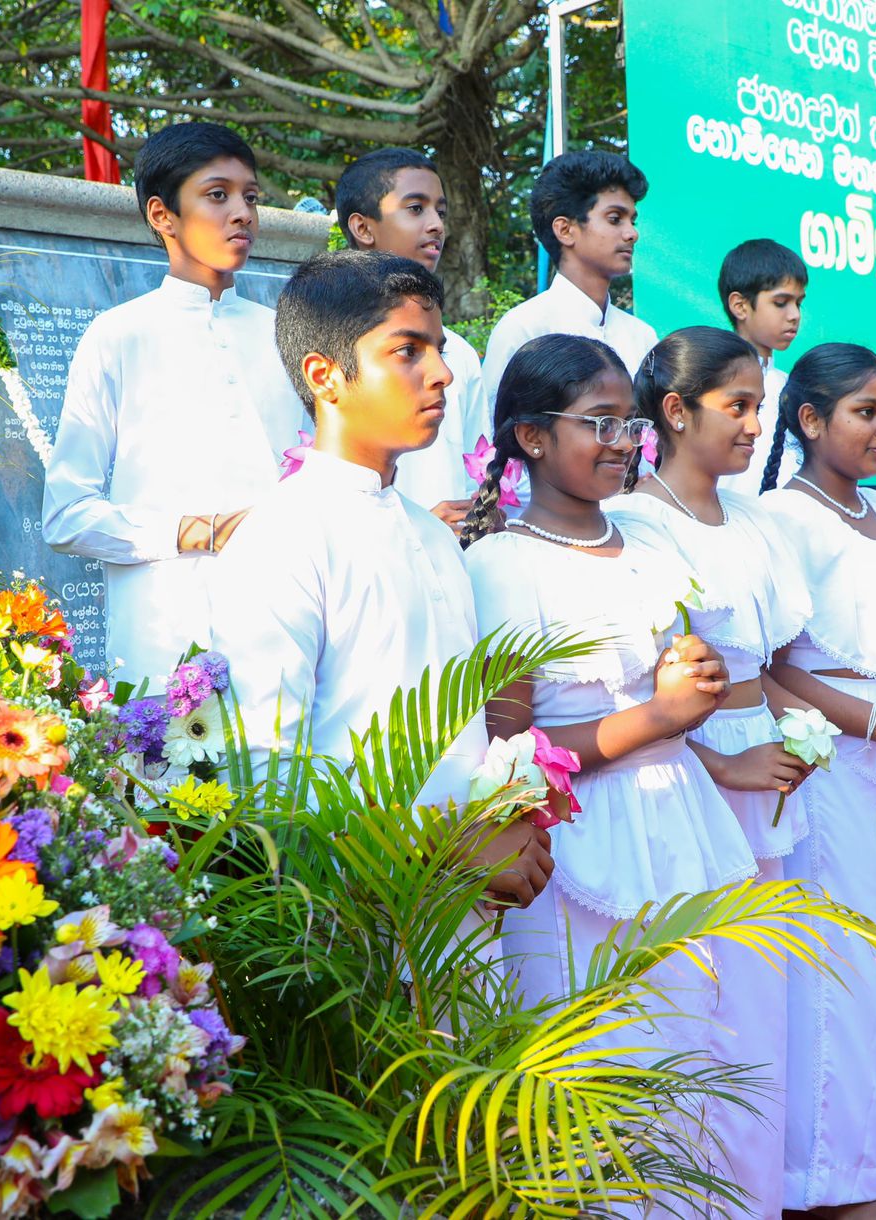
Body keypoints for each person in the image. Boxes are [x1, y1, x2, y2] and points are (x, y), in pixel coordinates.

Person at [461, 334, 756, 1218]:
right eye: (599, 423)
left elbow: (675, 677)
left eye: (629, 422)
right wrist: (656, 718)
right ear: (531, 436)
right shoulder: (503, 564)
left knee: (686, 1048)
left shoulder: (648, 541)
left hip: (677, 815)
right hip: (575, 835)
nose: (624, 441)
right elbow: (507, 745)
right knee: (597, 1063)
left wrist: (695, 684)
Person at [207, 249, 552, 906]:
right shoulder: (282, 535)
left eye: (439, 349)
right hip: (348, 920)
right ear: (325, 376)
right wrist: (438, 844)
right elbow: (265, 779)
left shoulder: (433, 535)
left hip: (452, 919)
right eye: (408, 351)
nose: (443, 373)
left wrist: (498, 821)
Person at [608, 326, 815, 1219]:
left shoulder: (756, 520)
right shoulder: (637, 524)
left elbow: (769, 664)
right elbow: (633, 693)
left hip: (766, 766)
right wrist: (726, 764)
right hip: (692, 776)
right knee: (698, 992)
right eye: (737, 406)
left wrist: (799, 737)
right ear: (675, 411)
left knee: (762, 995)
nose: (755, 425)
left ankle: (757, 1198)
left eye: (759, 407)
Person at [761, 343, 876, 1220]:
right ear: (810, 420)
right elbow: (769, 668)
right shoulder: (780, 518)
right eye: (864, 412)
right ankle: (822, 1186)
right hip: (828, 760)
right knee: (834, 965)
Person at [43, 121, 306, 688]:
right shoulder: (118, 335)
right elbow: (66, 517)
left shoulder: (284, 336)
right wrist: (195, 531)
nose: (243, 213)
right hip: (164, 635)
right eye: (218, 195)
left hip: (287, 624)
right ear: (163, 215)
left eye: (250, 197)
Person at [335, 147, 491, 530]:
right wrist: (419, 527)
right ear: (363, 228)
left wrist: (481, 518)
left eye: (441, 211)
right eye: (416, 208)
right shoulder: (329, 344)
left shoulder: (460, 354)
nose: (436, 225)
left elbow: (478, 474)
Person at [479, 151, 657, 400]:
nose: (632, 234)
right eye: (615, 219)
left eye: (632, 221)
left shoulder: (643, 336)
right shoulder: (524, 329)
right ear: (565, 230)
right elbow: (494, 423)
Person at [716, 238, 808, 495]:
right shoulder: (711, 383)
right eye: (781, 302)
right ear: (740, 305)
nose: (794, 315)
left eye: (798, 303)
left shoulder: (793, 387)